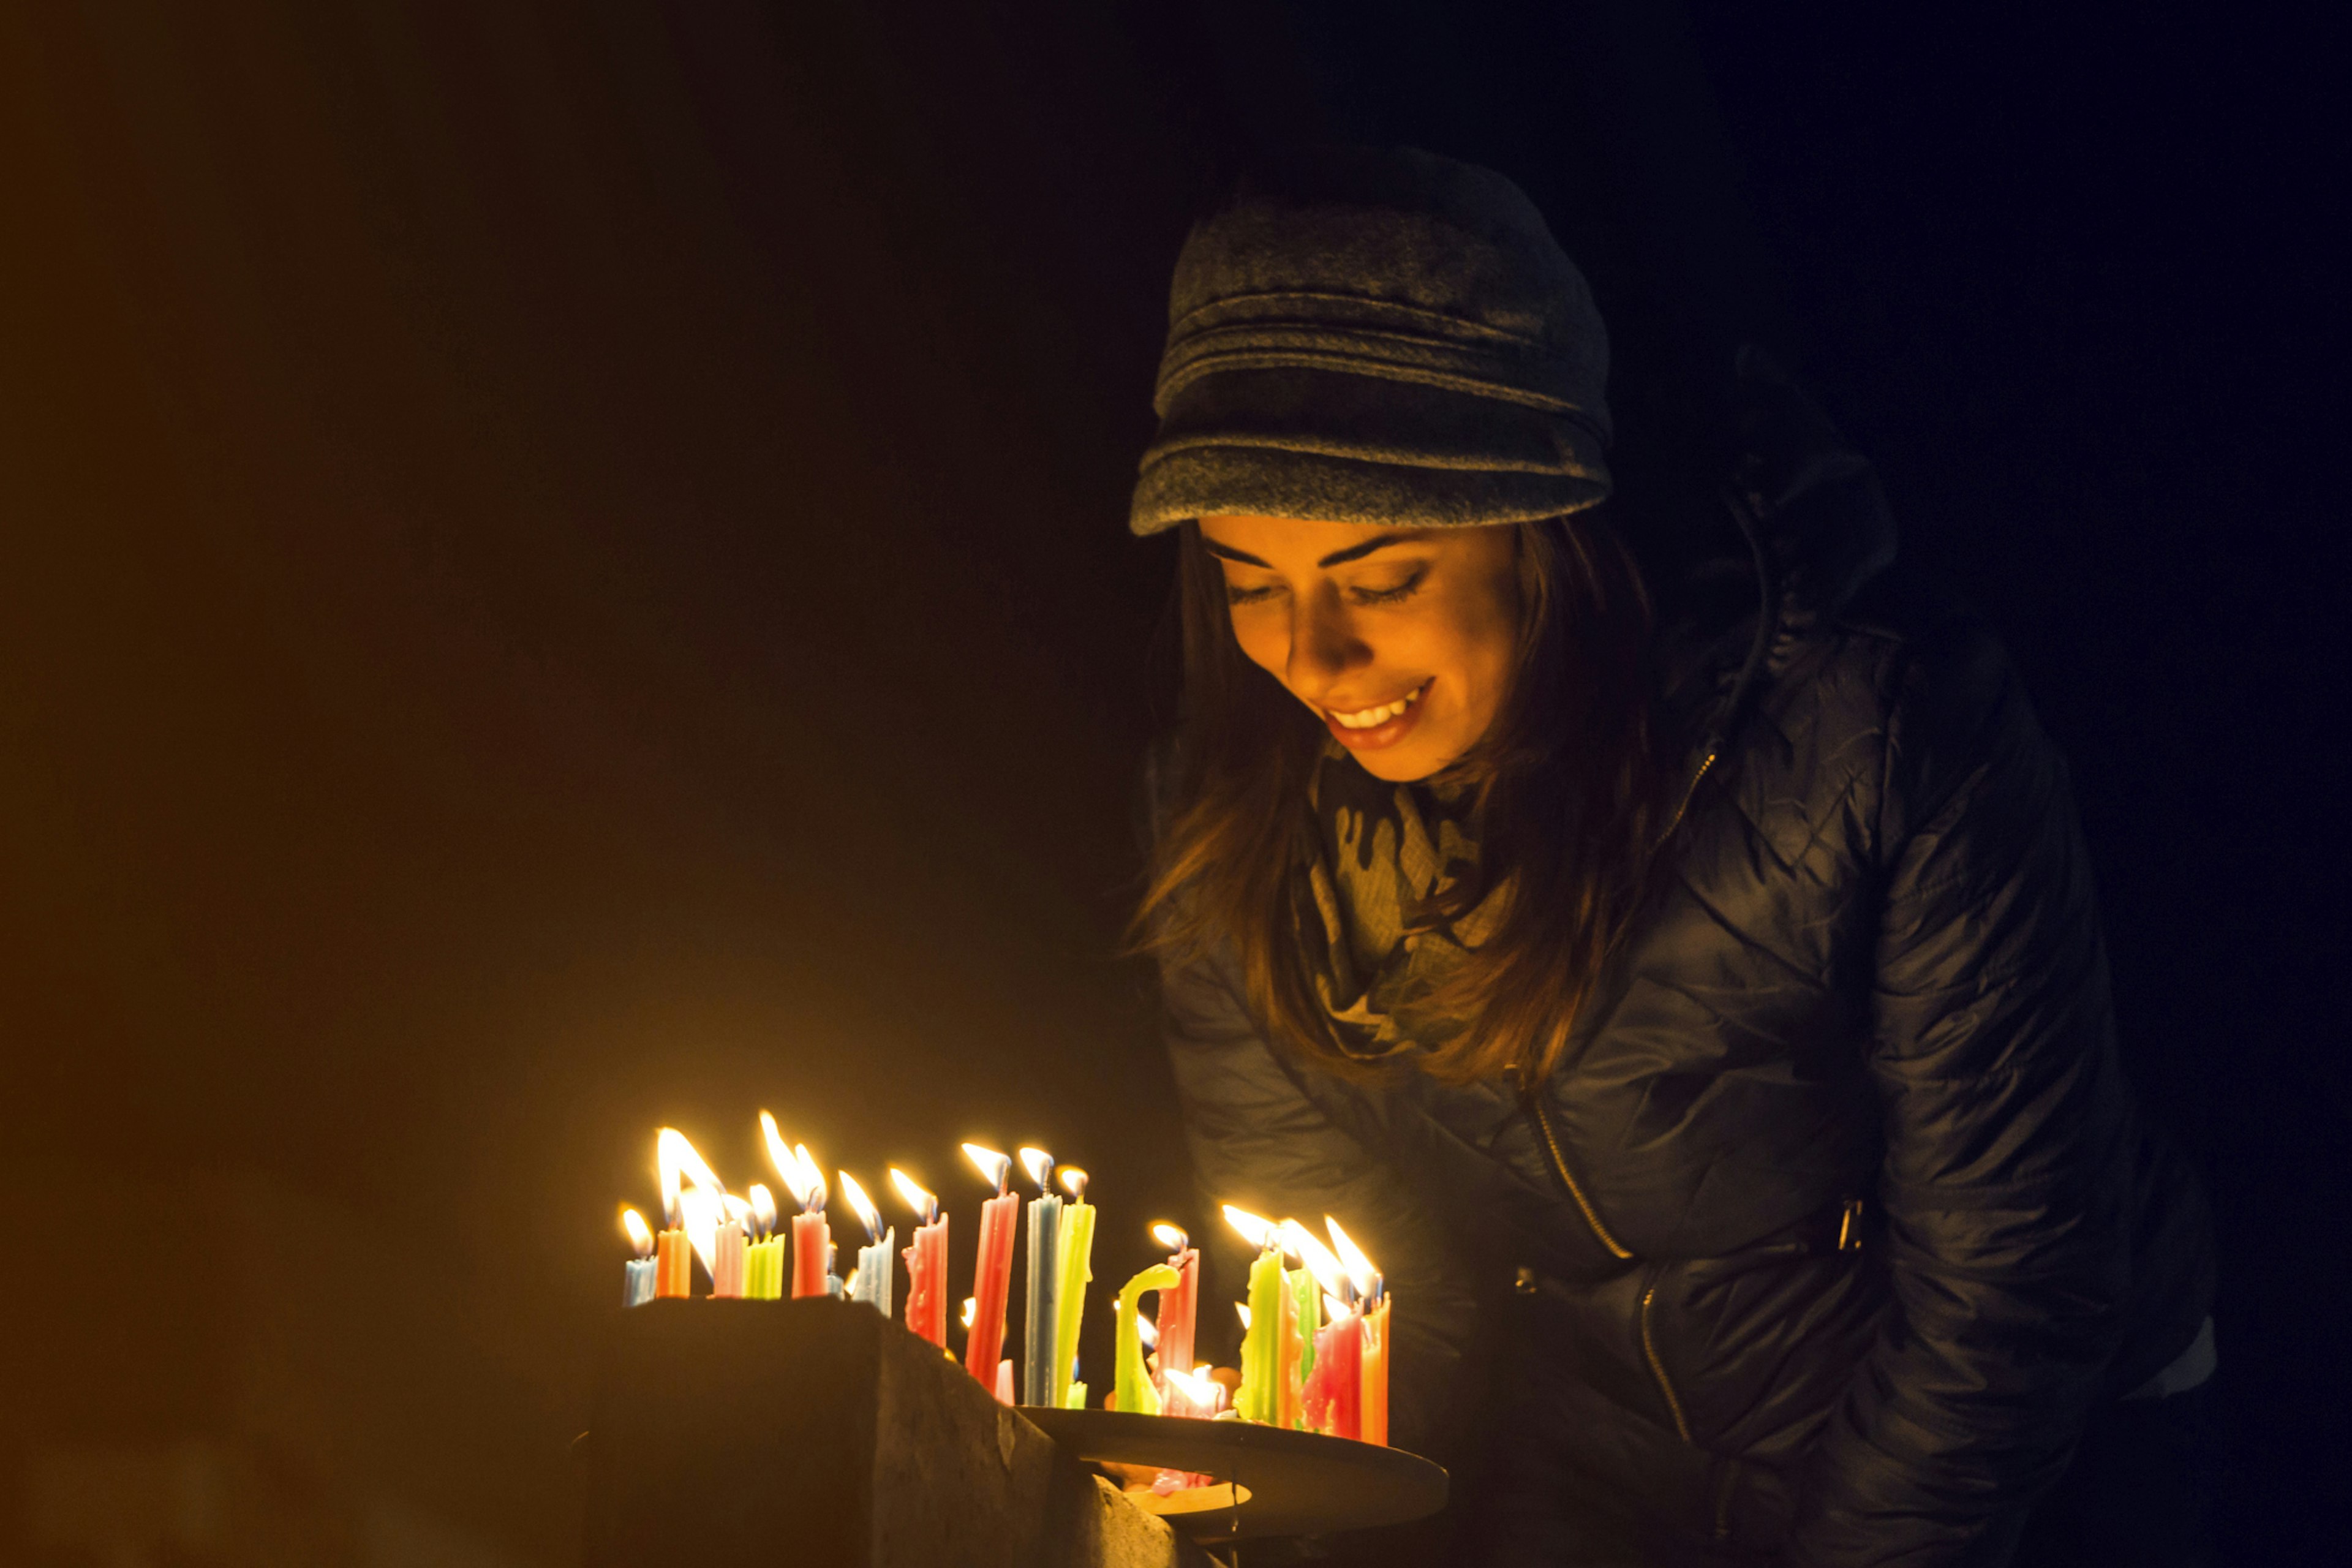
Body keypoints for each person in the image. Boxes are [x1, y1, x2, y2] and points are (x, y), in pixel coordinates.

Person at [1128, 146, 2215, 1566]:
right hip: (1602, 1435)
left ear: (1543, 535)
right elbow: (1382, 1298)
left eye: (1383, 579)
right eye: (1249, 582)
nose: (1313, 660)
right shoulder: (1235, 824)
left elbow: (2014, 1284)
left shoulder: (1874, 726)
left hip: (2017, 1434)